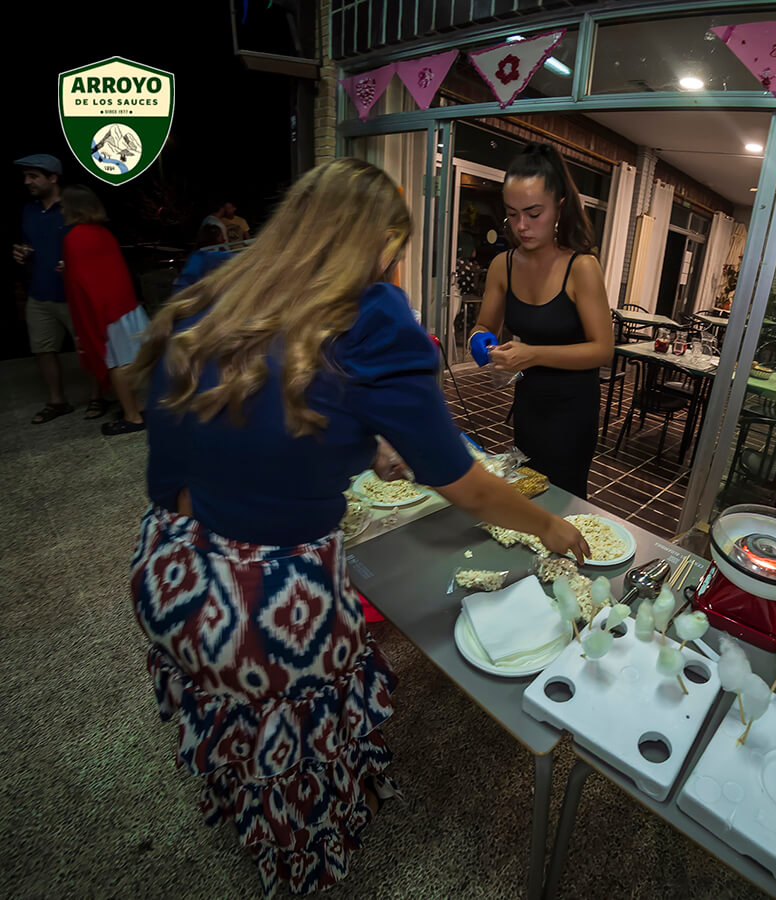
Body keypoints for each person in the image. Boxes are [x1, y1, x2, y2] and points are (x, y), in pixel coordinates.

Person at [128, 158, 588, 897]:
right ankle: (306, 842)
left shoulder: (214, 283)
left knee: (239, 721)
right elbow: (466, 485)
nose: (391, 268)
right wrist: (550, 529)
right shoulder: (372, 319)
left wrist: (356, 444)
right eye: (393, 252)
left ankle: (248, 803)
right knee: (299, 725)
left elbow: (201, 442)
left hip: (172, 565)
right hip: (267, 600)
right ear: (377, 245)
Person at [472, 142, 614, 497]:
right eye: (512, 214)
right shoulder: (503, 265)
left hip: (573, 408)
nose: (522, 226)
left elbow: (602, 350)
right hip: (529, 402)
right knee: (527, 488)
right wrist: (481, 342)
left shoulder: (581, 267)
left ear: (559, 207)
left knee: (564, 497)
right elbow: (484, 326)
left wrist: (532, 354)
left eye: (534, 213)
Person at [11, 153, 104, 423]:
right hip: (39, 293)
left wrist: (77, 263)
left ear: (53, 178)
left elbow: (95, 244)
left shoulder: (73, 207)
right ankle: (57, 401)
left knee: (86, 347)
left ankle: (97, 397)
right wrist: (20, 252)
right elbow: (28, 244)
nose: (27, 182)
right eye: (25, 177)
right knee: (43, 348)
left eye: (33, 176)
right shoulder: (29, 210)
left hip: (74, 294)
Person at [59, 185, 149, 435]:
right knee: (127, 360)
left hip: (104, 312)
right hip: (124, 306)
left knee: (116, 364)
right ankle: (137, 408)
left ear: (74, 208)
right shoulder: (103, 233)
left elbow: (80, 284)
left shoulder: (73, 238)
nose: (62, 211)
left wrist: (86, 327)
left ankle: (132, 417)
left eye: (64, 206)